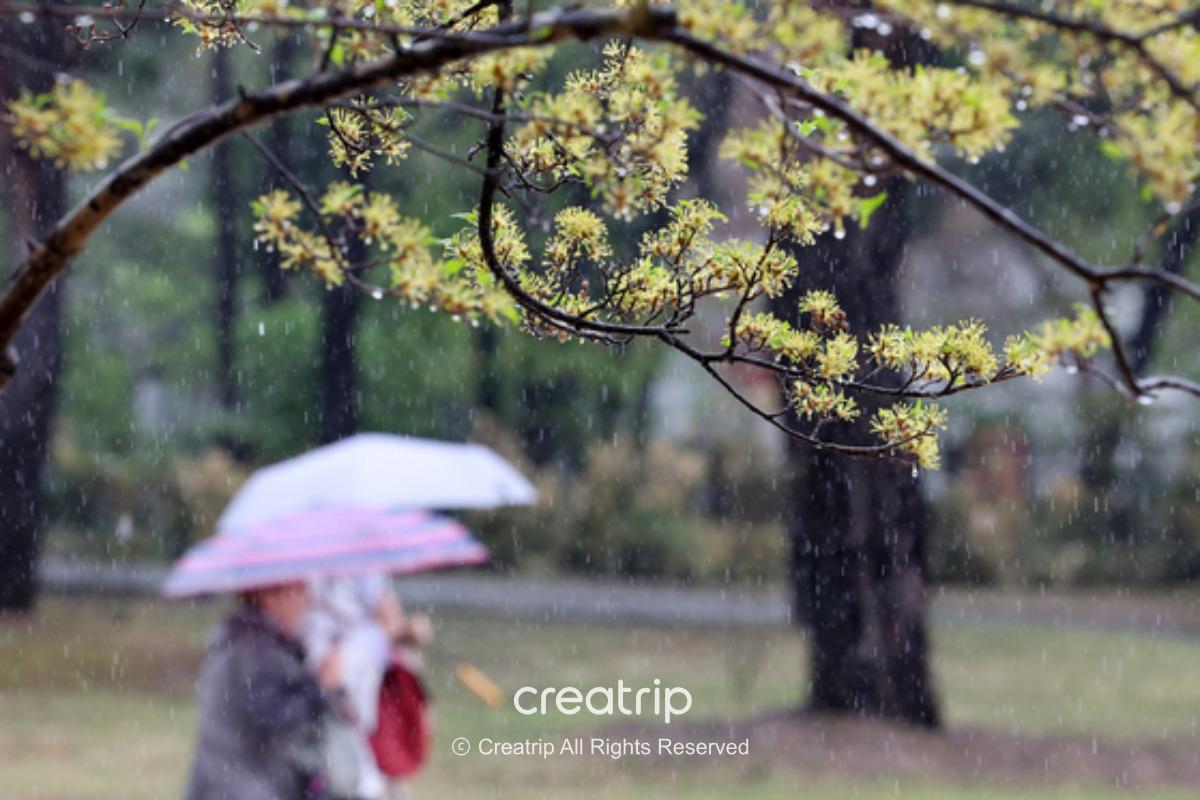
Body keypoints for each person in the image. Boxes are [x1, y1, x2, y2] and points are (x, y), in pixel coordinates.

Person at [184, 581, 344, 800]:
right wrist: (321, 686)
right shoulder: (254, 651)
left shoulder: (251, 642)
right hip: (242, 789)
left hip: (231, 784)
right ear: (270, 596)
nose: (308, 600)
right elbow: (273, 722)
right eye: (299, 591)